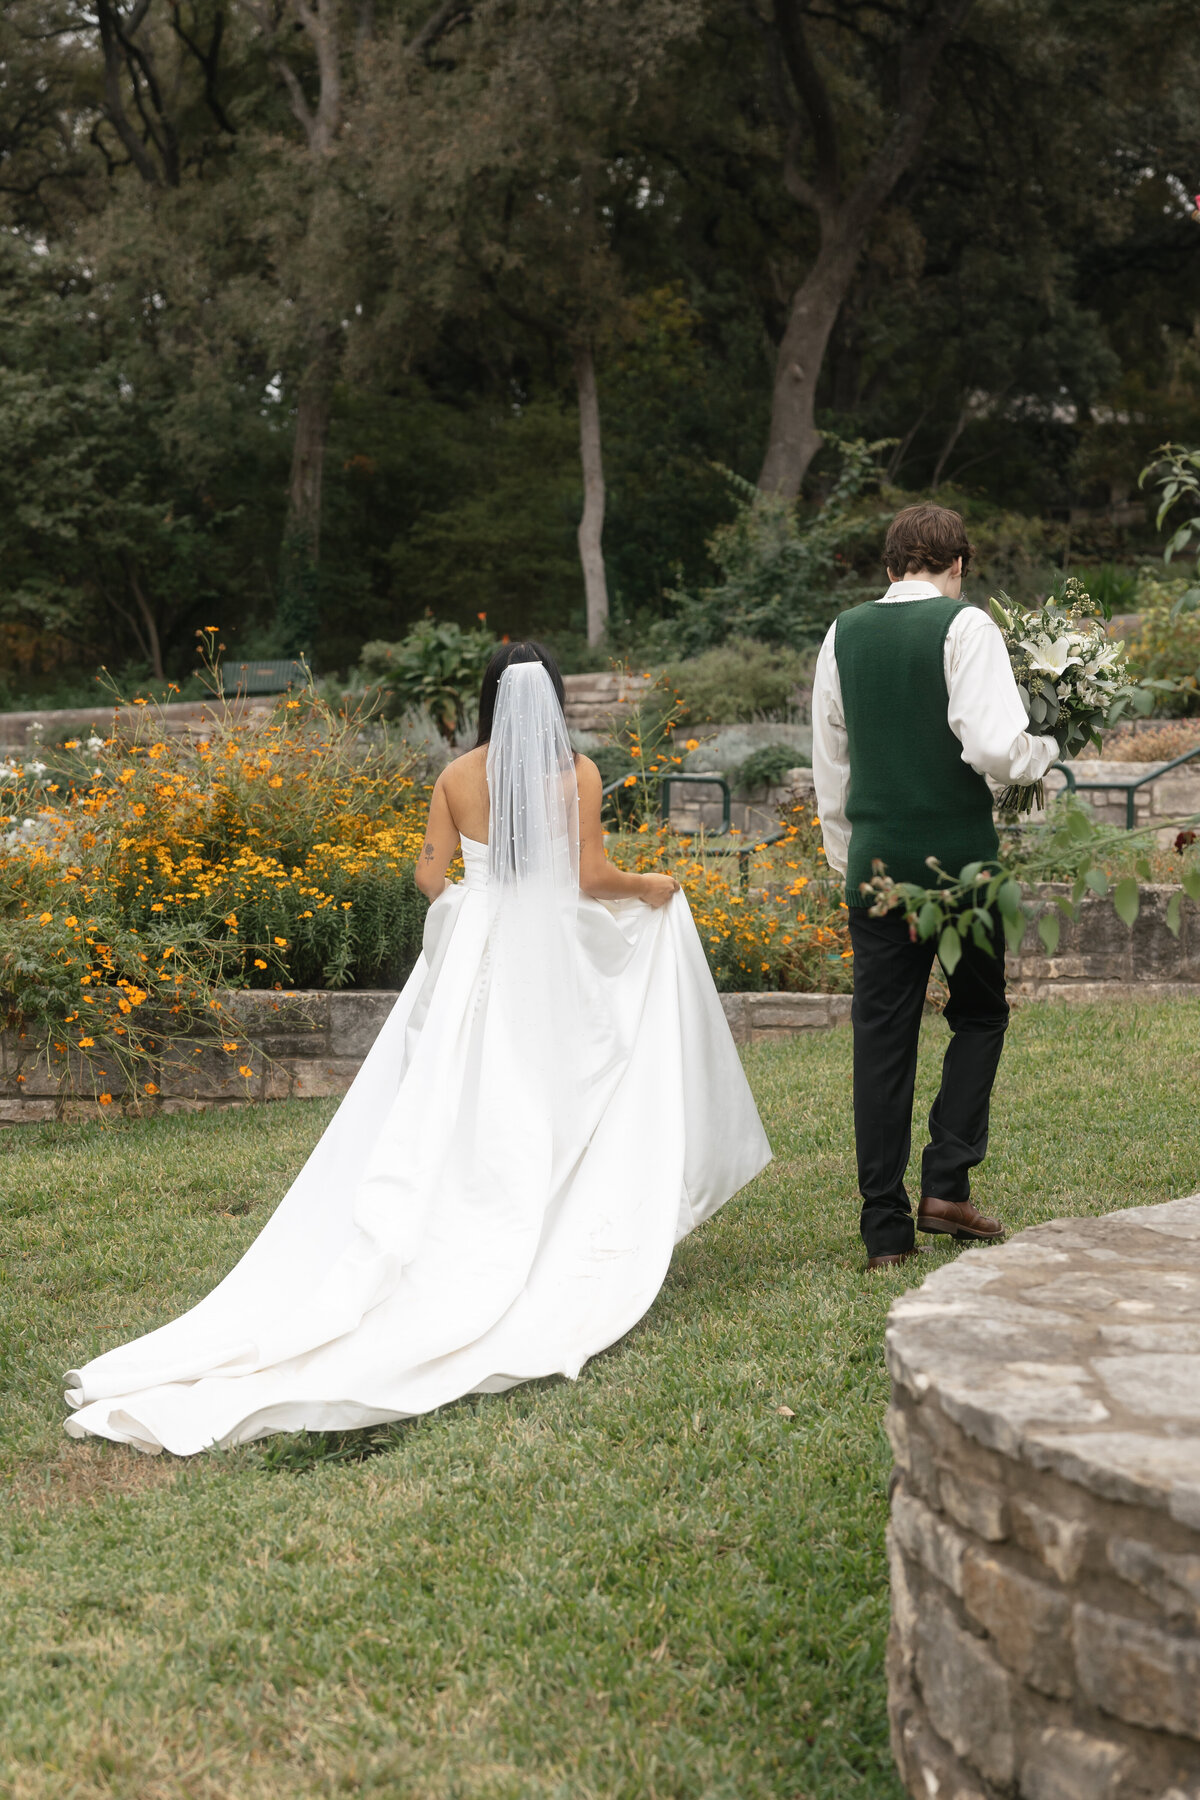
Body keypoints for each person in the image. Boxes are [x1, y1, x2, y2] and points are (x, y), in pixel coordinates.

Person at [65, 643, 771, 1454]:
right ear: (554, 701)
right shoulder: (574, 773)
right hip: (556, 962)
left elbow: (428, 876)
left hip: (483, 960)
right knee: (563, 1082)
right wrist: (654, 888)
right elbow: (591, 877)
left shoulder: (457, 776)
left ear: (486, 700)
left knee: (464, 1094)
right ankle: (550, 1223)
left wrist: (475, 910)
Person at [811, 504, 1058, 1272]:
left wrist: (845, 858)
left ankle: (885, 1230)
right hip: (961, 867)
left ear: (889, 568)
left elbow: (831, 760)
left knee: (882, 1043)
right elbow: (991, 743)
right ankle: (947, 1184)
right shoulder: (966, 626)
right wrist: (1041, 750)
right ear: (959, 565)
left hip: (877, 868)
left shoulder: (842, 633)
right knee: (981, 1013)